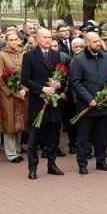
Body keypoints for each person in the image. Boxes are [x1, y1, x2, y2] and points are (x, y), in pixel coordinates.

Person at [68, 30, 107, 175]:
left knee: (102, 136)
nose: (98, 43)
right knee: (84, 136)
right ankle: (82, 163)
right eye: (94, 41)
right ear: (87, 43)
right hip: (86, 106)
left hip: (103, 104)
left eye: (98, 40)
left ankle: (101, 161)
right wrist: (89, 99)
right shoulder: (79, 60)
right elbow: (75, 82)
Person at [23, 27, 66, 179]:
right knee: (34, 137)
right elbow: (25, 79)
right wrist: (42, 88)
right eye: (45, 37)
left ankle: (52, 165)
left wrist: (58, 84)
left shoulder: (56, 55)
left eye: (50, 37)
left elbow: (60, 74)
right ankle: (32, 167)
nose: (48, 40)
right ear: (38, 39)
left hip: (53, 103)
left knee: (53, 135)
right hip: (38, 102)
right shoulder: (29, 56)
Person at [0, 30, 28, 163]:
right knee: (9, 122)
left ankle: (18, 149)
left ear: (20, 40)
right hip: (7, 94)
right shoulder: (1, 55)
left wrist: (24, 89)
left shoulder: (25, 54)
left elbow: (29, 74)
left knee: (21, 120)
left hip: (23, 93)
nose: (14, 42)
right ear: (6, 41)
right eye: (11, 40)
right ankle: (11, 153)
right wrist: (13, 90)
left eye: (16, 40)